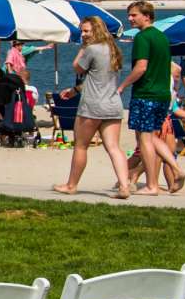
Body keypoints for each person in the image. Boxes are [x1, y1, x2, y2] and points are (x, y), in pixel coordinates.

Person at [57, 15, 133, 197]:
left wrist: (82, 48)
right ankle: (124, 185)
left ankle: (71, 185)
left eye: (86, 31)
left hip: (92, 105)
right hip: (113, 104)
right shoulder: (113, 49)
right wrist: (75, 90)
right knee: (114, 147)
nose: (83, 34)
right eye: (82, 31)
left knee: (81, 146)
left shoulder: (92, 49)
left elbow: (77, 67)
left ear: (96, 31)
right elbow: (99, 79)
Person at [124, 0, 183, 194]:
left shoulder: (142, 37)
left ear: (147, 16)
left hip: (145, 93)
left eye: (134, 15)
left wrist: (122, 86)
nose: (130, 18)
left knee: (144, 139)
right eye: (129, 15)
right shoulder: (162, 38)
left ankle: (151, 185)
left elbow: (141, 67)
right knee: (153, 136)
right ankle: (176, 169)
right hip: (163, 95)